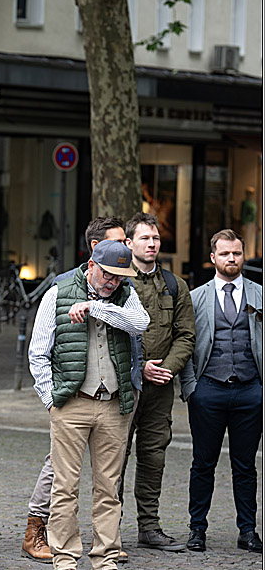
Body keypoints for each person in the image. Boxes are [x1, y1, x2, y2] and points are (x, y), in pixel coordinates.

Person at [29, 240, 149, 570]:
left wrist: (98, 309)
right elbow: (38, 351)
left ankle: (105, 562)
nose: (113, 282)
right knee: (65, 487)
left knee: (109, 488)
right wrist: (50, 399)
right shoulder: (58, 292)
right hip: (71, 402)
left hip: (115, 404)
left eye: (119, 277)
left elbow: (139, 323)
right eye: (109, 275)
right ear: (92, 264)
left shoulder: (125, 294)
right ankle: (64, 561)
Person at [180, 229, 263, 554]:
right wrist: (191, 389)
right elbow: (185, 343)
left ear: (243, 256)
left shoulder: (259, 294)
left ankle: (248, 530)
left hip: (250, 392)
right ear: (213, 257)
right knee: (203, 463)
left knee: (246, 466)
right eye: (225, 253)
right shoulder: (196, 296)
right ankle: (197, 529)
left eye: (237, 253)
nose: (232, 259)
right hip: (208, 391)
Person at [116, 213, 195, 552]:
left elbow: (186, 335)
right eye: (145, 238)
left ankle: (149, 526)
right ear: (129, 243)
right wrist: (138, 367)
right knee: (115, 457)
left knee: (154, 456)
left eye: (156, 238)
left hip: (160, 387)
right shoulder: (115, 281)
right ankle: (110, 530)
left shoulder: (176, 285)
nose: (152, 244)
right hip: (123, 386)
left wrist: (168, 369)